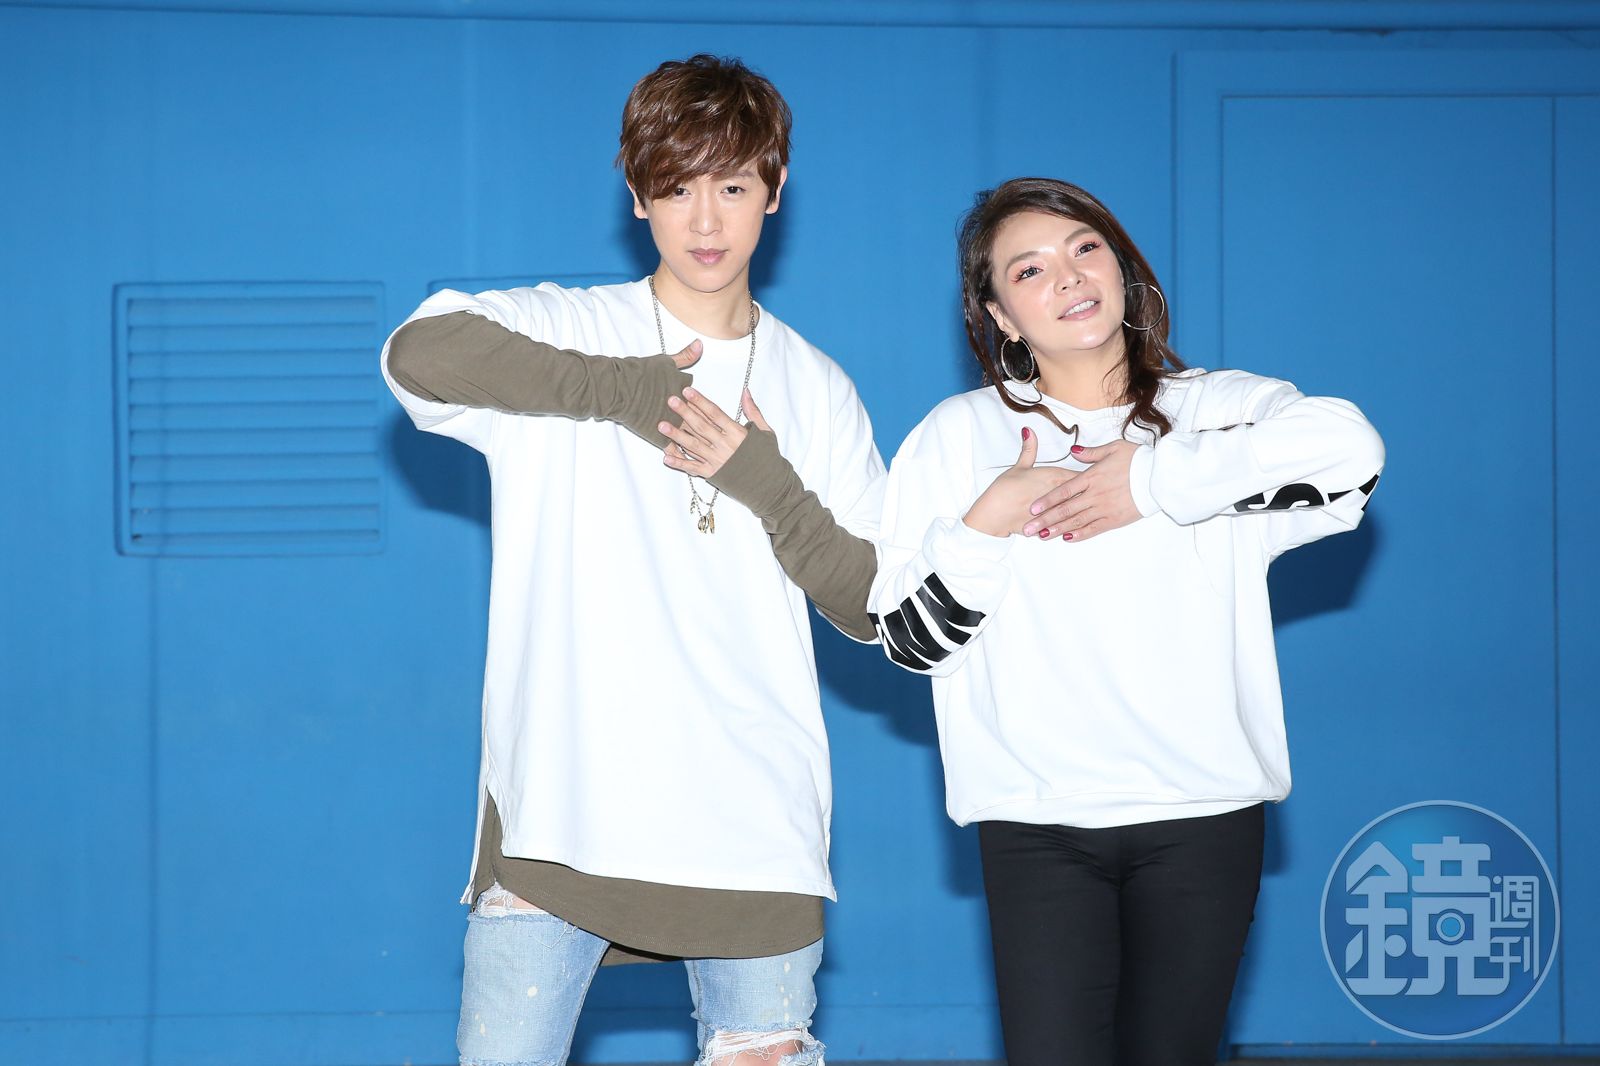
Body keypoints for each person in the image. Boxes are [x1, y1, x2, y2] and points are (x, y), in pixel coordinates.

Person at [381, 54, 883, 1066]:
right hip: (563, 817)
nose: (705, 219)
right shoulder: (569, 328)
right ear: (637, 195)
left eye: (732, 185)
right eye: (676, 186)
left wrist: (764, 481)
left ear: (774, 189)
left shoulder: (815, 384)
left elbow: (872, 604)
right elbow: (415, 356)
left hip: (754, 824)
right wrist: (621, 391)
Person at [866, 177, 1385, 1066]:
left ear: (1123, 267)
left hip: (1204, 816)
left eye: (1085, 249)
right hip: (1037, 825)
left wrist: (1151, 481)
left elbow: (1353, 452)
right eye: (1029, 270)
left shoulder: (1216, 411)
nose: (1068, 277)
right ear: (999, 315)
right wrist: (989, 519)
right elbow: (910, 644)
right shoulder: (958, 437)